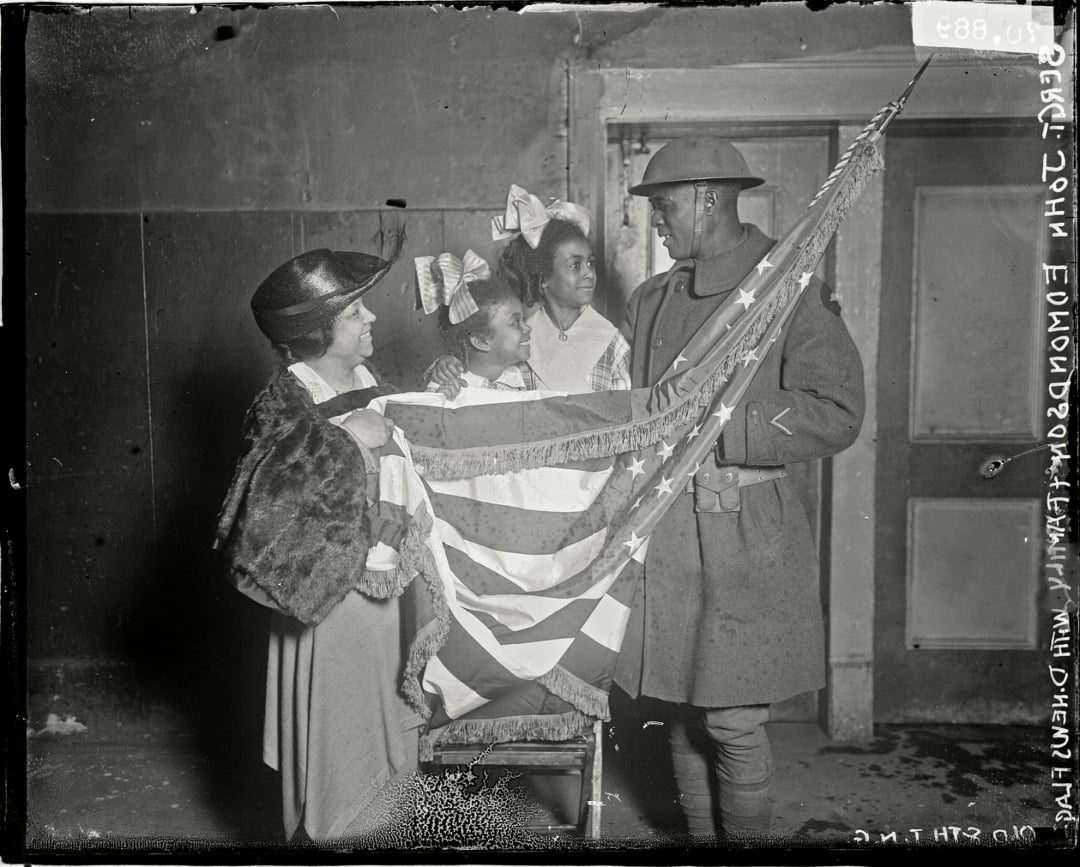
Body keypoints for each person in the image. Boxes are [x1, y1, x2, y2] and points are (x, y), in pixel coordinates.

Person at [612, 138, 865, 839]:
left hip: (744, 531)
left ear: (707, 198)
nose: (657, 223)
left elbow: (838, 410)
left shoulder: (787, 284)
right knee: (683, 706)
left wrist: (727, 425)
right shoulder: (653, 299)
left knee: (732, 717)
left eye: (664, 208)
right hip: (669, 534)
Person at [213, 245, 423, 843]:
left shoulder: (366, 380)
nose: (372, 319)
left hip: (384, 581)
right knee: (339, 728)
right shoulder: (283, 398)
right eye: (357, 311)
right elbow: (262, 500)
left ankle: (386, 834)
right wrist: (347, 441)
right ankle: (332, 837)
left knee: (387, 711)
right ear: (319, 331)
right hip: (327, 594)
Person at [426, 184, 630, 396]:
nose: (589, 273)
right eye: (575, 265)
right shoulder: (518, 335)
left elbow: (623, 414)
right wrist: (447, 367)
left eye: (591, 263)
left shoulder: (613, 342)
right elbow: (479, 379)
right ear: (543, 277)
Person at [415, 249, 532, 392]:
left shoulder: (524, 374)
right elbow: (427, 412)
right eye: (515, 322)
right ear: (481, 341)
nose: (528, 328)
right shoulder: (449, 384)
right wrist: (441, 399)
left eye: (523, 320)